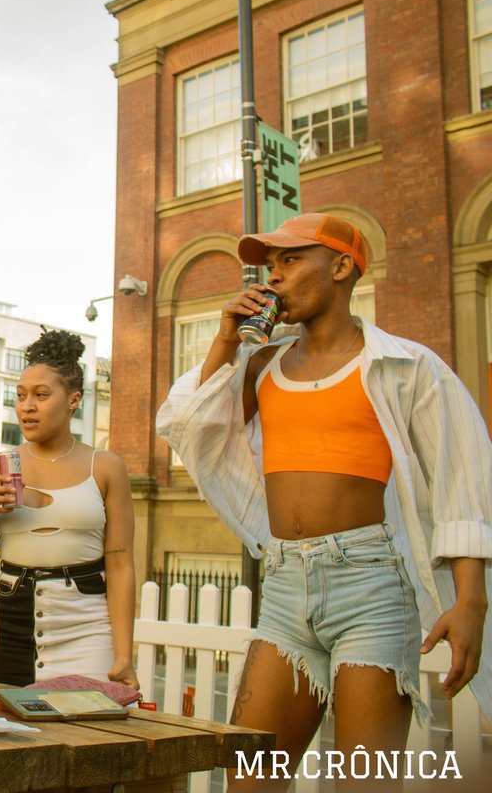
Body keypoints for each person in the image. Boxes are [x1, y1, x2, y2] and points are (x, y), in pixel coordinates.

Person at [156, 212, 492, 785]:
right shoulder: (262, 365)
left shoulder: (406, 367)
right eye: (269, 265)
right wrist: (223, 341)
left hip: (372, 588)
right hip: (284, 590)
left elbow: (462, 475)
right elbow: (192, 425)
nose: (274, 276)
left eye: (290, 260)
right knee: (249, 780)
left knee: (363, 781)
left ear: (340, 266)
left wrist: (471, 600)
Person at [0, 329, 138, 690]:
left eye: (41, 395)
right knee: (11, 738)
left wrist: (123, 654)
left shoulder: (104, 467)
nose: (27, 406)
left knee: (86, 739)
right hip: (12, 627)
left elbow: (120, 564)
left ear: (74, 400)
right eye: (21, 396)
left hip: (87, 629)